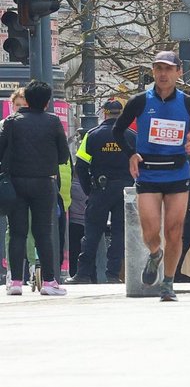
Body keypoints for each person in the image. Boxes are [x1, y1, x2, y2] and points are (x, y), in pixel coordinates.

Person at [113, 51, 190, 301]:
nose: (163, 74)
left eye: (168, 69)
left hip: (177, 172)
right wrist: (131, 154)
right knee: (150, 230)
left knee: (174, 231)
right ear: (153, 72)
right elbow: (118, 129)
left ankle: (168, 282)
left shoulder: (188, 103)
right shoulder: (140, 100)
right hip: (149, 173)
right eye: (158, 69)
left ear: (178, 72)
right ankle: (155, 254)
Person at [0, 80, 71, 296]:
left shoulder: (11, 121)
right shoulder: (53, 121)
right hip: (44, 183)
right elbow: (62, 155)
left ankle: (15, 282)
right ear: (47, 101)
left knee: (18, 231)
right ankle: (49, 282)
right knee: (43, 232)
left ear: (27, 99)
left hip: (16, 182)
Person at [67, 99, 134, 284]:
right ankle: (113, 275)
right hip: (125, 191)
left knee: (92, 233)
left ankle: (83, 274)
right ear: (121, 113)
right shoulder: (131, 136)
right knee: (120, 233)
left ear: (104, 112)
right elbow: (140, 163)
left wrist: (90, 189)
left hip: (100, 189)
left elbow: (80, 166)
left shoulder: (92, 135)